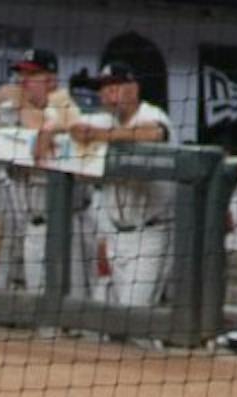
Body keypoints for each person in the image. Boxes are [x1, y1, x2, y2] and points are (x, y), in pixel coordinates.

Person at [0, 48, 93, 294]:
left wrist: (20, 104)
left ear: (51, 79)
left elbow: (40, 126)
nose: (23, 82)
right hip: (33, 226)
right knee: (42, 313)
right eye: (21, 74)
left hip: (70, 225)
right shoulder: (16, 106)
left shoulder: (64, 104)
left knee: (80, 306)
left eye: (31, 75)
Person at [57, 61, 175, 307]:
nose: (107, 93)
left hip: (150, 233)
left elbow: (154, 133)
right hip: (114, 234)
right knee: (110, 319)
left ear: (133, 89)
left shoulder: (151, 114)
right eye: (103, 87)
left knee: (136, 316)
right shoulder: (104, 119)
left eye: (115, 86)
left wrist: (99, 137)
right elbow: (75, 127)